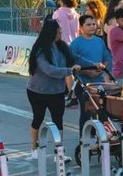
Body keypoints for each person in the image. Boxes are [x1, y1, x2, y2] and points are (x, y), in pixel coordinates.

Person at [26, 19, 79, 159]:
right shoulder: (40, 50)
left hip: (57, 91)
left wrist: (94, 64)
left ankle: (59, 153)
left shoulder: (62, 47)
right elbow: (49, 70)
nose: (61, 32)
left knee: (58, 121)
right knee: (38, 118)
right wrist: (69, 70)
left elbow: (76, 58)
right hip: (37, 91)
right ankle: (34, 148)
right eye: (58, 31)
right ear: (51, 33)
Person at [70, 13, 111, 134]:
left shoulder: (100, 41)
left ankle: (100, 138)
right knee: (86, 112)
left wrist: (101, 69)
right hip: (83, 83)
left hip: (99, 83)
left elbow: (106, 59)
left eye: (94, 24)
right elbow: (71, 65)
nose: (92, 27)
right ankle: (84, 138)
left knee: (101, 112)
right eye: (88, 25)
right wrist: (86, 71)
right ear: (81, 27)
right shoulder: (75, 43)